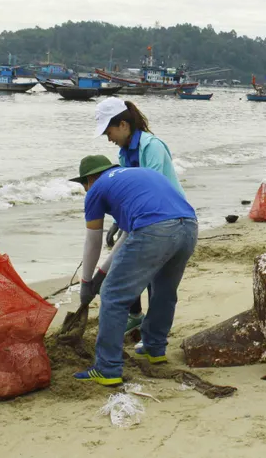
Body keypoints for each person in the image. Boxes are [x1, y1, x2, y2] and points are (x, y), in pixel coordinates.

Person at [72, 157, 197, 387]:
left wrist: (86, 283)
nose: (85, 190)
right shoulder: (135, 177)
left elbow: (93, 241)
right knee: (163, 291)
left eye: (83, 185)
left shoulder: (96, 189)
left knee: (113, 296)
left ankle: (106, 368)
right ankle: (154, 348)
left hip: (155, 230)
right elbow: (128, 235)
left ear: (90, 179)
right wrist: (101, 273)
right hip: (188, 226)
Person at [95, 97, 183, 333]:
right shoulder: (125, 154)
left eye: (109, 131)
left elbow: (150, 189)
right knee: (127, 264)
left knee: (155, 279)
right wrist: (118, 222)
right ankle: (136, 315)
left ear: (123, 125)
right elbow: (129, 194)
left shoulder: (152, 146)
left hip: (166, 218)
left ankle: (151, 334)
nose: (108, 138)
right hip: (144, 218)